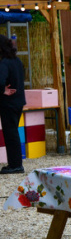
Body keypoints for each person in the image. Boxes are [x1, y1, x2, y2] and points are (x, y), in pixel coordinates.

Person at [0, 34, 26, 174]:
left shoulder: (4, 63)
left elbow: (0, 80)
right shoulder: (16, 60)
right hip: (19, 101)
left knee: (11, 134)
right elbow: (24, 75)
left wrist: (2, 91)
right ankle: (15, 163)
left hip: (8, 103)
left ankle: (15, 165)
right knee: (13, 132)